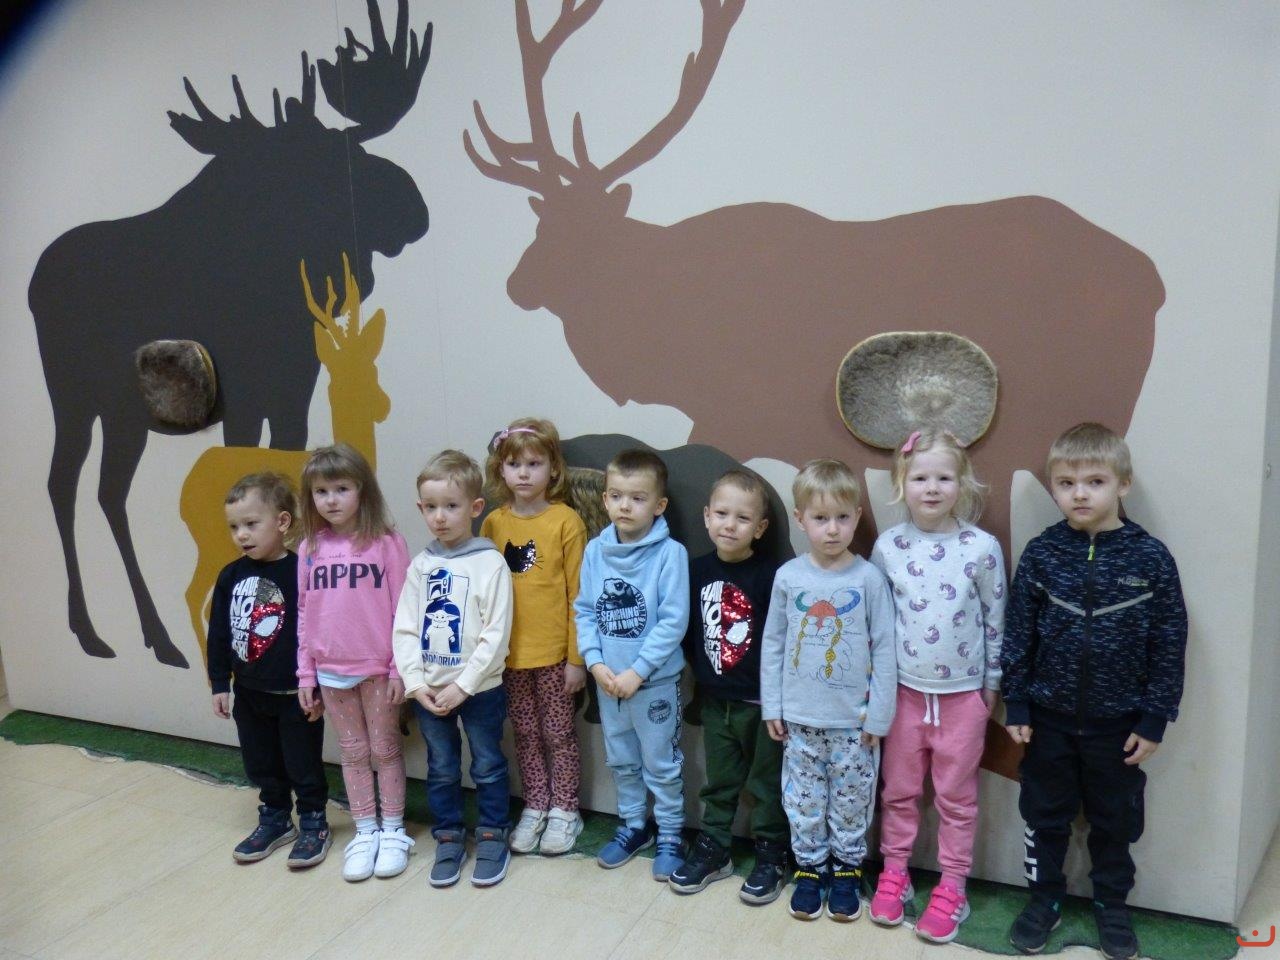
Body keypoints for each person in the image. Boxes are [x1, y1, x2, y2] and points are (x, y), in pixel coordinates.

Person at [1001, 423, 1187, 960]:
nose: (1079, 494)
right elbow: (1018, 633)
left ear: (1122, 484)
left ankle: (1112, 904)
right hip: (1047, 721)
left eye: (1095, 482)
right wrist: (1017, 701)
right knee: (1044, 816)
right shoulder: (1042, 554)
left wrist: (1154, 718)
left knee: (1115, 822)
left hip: (1119, 727)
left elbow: (1170, 641)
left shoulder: (1151, 559)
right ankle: (1044, 900)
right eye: (1066, 483)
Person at [867, 430, 1006, 943]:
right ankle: (895, 873)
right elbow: (875, 623)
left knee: (956, 799)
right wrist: (876, 687)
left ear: (962, 483)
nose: (931, 488)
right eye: (920, 477)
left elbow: (996, 618)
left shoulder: (981, 548)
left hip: (964, 700)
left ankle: (952, 887)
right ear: (902, 484)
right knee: (899, 792)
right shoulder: (889, 546)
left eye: (944, 477)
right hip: (903, 695)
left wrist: (990, 686)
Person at [760, 458, 896, 922]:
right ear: (801, 520)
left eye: (841, 517)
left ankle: (846, 870)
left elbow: (885, 649)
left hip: (854, 724)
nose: (832, 529)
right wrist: (772, 705)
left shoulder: (868, 579)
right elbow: (773, 644)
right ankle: (810, 868)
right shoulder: (788, 577)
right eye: (820, 518)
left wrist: (879, 715)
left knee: (851, 801)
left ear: (857, 517)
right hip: (799, 721)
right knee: (803, 800)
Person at [393, 450, 515, 887]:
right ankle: (448, 836)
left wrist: (464, 685)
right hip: (429, 692)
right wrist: (415, 684)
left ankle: (493, 833)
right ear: (420, 508)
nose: (440, 517)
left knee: (487, 764)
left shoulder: (490, 563)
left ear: (475, 507)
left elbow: (496, 634)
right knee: (442, 768)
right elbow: (405, 628)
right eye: (430, 507)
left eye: (451, 506)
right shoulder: (421, 566)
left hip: (480, 690)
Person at [668, 469, 789, 905]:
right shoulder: (695, 570)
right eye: (721, 514)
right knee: (719, 781)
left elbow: (782, 640)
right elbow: (687, 632)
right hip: (715, 700)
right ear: (706, 516)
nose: (729, 525)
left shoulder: (773, 575)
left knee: (765, 785)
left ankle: (772, 853)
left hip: (761, 706)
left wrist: (777, 702)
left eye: (742, 518)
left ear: (760, 528)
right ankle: (715, 847)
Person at [296, 443, 411, 883]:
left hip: (379, 669)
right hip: (330, 673)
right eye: (321, 491)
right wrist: (306, 673)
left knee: (385, 748)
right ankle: (365, 830)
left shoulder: (387, 543)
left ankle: (393, 829)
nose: (331, 500)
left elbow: (404, 609)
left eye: (342, 489)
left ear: (362, 490)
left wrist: (399, 668)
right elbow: (304, 613)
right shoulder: (309, 547)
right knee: (353, 751)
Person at [574, 448, 690, 881]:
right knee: (622, 760)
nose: (625, 506)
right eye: (617, 496)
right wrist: (594, 663)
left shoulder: (670, 554)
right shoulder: (595, 551)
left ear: (659, 505)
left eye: (638, 498)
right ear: (605, 499)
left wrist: (638, 671)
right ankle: (633, 825)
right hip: (608, 684)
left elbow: (673, 621)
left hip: (652, 685)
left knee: (661, 763)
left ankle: (671, 833)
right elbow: (585, 610)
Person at [208, 472, 330, 868]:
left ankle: (313, 821)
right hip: (249, 693)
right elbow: (220, 632)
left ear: (282, 522)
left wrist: (318, 685)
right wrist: (219, 682)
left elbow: (316, 630)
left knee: (302, 762)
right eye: (234, 527)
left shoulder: (301, 571)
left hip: (296, 694)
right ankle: (276, 818)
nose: (241, 534)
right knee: (261, 762)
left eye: (250, 523)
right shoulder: (230, 576)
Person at [481, 419, 588, 856]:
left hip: (555, 658)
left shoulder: (566, 522)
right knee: (524, 735)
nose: (523, 473)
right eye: (514, 464)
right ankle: (536, 804)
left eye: (534, 464)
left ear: (553, 469)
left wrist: (577, 659)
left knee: (559, 735)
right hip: (508, 658)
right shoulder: (492, 524)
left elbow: (579, 595)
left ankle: (565, 809)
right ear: (500, 470)